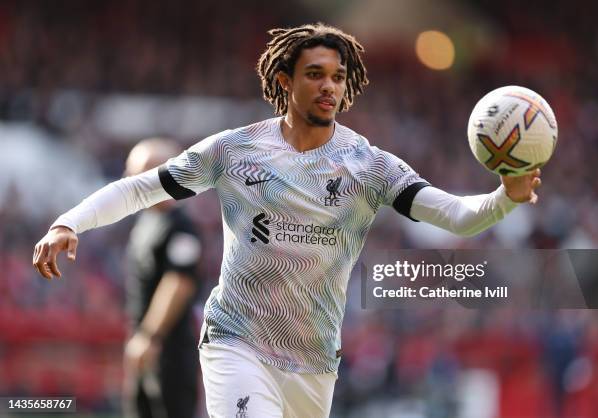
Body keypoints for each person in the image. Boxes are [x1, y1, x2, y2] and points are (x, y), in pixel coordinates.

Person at [33, 23, 542, 418]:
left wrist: (504, 197)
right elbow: (143, 187)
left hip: (314, 362)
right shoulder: (235, 150)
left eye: (338, 77)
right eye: (315, 74)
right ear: (284, 80)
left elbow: (454, 216)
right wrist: (68, 222)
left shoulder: (371, 167)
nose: (329, 87)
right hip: (236, 341)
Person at [125, 138, 202, 418]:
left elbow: (179, 283)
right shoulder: (147, 220)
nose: (132, 178)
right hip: (146, 342)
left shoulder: (180, 226)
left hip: (169, 348)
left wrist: (149, 336)